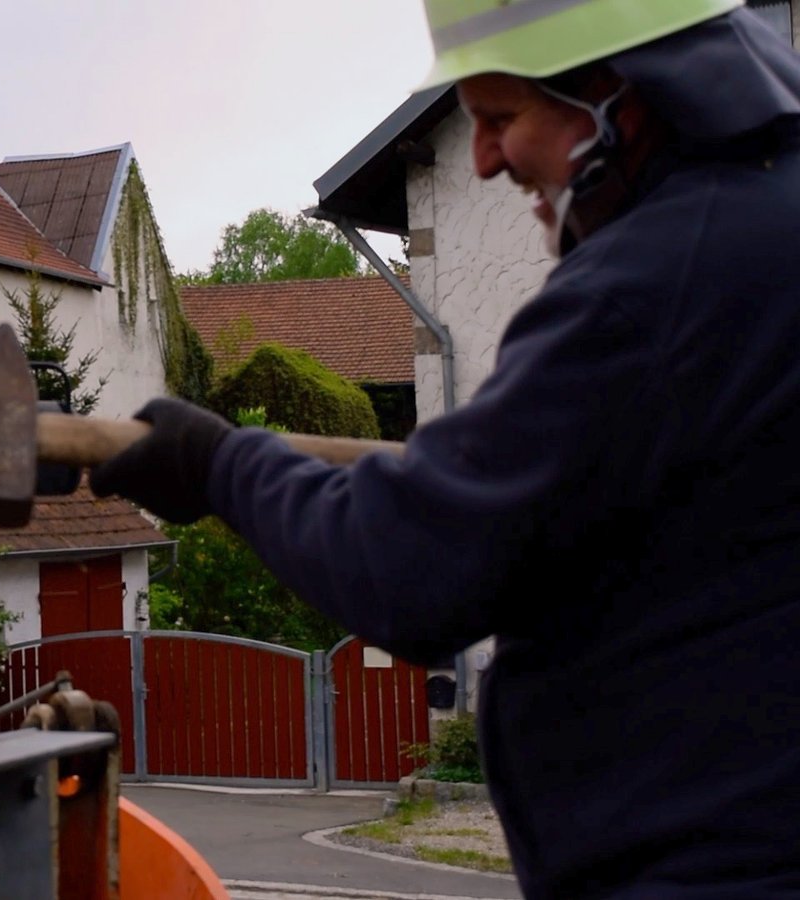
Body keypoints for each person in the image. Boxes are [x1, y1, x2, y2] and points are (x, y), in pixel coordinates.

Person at [91, 3, 800, 896]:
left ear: (619, 95)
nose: (486, 158)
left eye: (501, 116)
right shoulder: (764, 228)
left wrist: (218, 465)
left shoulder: (650, 286)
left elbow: (409, 563)